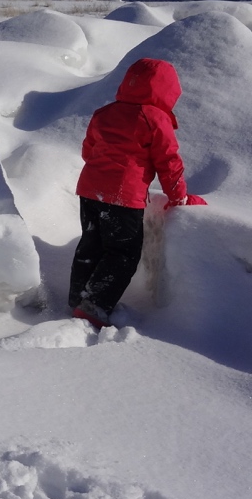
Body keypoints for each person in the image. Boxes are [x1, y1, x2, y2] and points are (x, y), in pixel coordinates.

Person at [68, 58, 206, 328]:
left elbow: (88, 151)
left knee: (91, 244)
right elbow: (169, 163)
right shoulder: (154, 118)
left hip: (89, 190)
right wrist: (180, 198)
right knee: (124, 253)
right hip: (123, 196)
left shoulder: (103, 113)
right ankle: (94, 306)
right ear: (167, 91)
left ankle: (77, 298)